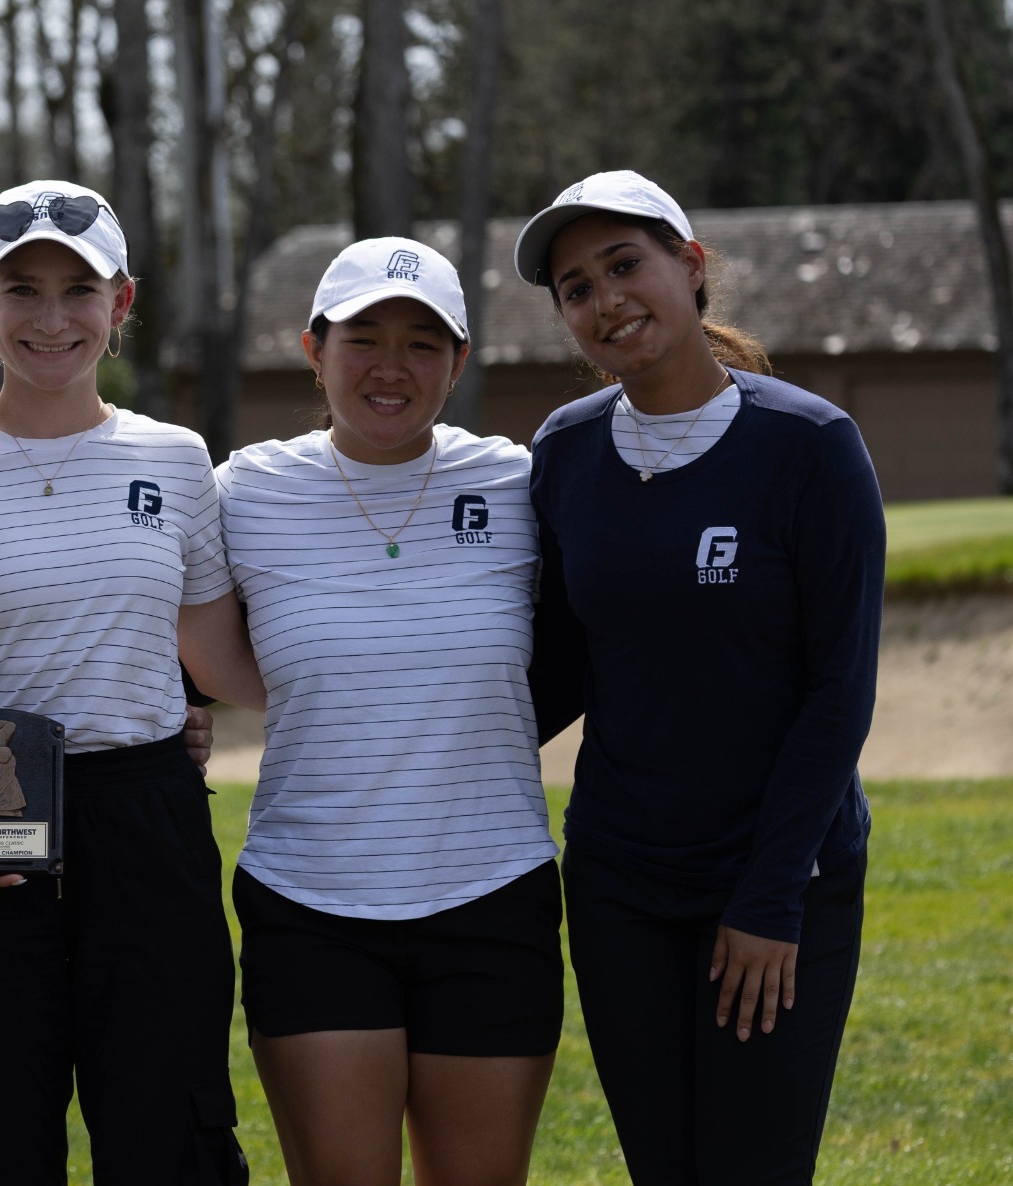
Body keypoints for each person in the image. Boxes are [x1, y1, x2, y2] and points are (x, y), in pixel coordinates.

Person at [0, 179, 264, 1186]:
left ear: (120, 302)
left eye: (79, 290)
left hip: (146, 824)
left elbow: (216, 658)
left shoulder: (177, 461)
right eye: (22, 290)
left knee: (167, 1133)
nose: (51, 318)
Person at [513, 170, 882, 1185]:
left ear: (689, 265)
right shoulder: (563, 451)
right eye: (577, 288)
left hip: (775, 874)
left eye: (624, 265)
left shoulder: (809, 446)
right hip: (620, 884)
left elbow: (838, 693)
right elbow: (560, 666)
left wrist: (769, 899)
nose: (605, 299)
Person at [215, 238, 566, 1186]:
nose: (390, 366)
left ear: (459, 361)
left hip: (493, 894)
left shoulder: (521, 481)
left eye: (422, 343)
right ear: (314, 350)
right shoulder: (244, 490)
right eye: (362, 338)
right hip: (311, 903)